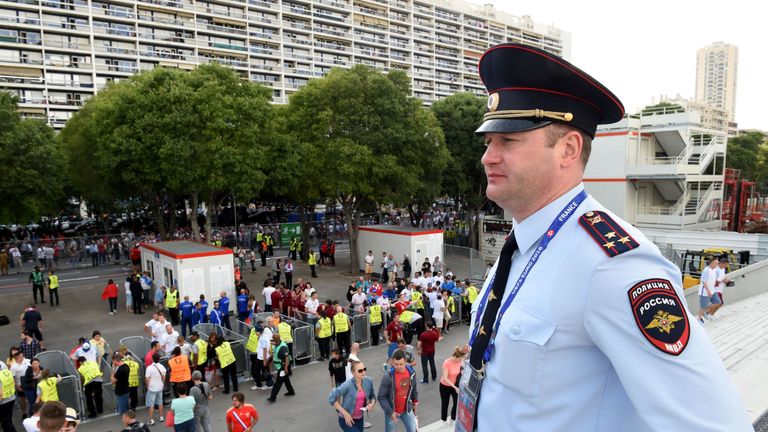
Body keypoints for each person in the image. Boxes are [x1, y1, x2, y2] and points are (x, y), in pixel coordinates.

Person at [464, 42, 751, 431]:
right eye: (488, 142)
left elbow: (714, 424)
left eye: (508, 141)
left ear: (568, 149)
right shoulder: (525, 241)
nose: (488, 157)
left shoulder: (614, 264)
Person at [328, 360, 376, 432]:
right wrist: (345, 414)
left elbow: (372, 397)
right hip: (346, 419)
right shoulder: (347, 385)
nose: (363, 372)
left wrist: (371, 404)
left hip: (360, 418)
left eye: (364, 369)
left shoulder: (368, 381)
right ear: (353, 373)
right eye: (360, 371)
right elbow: (331, 398)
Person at [377, 350, 418, 432]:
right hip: (392, 411)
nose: (399, 367)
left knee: (413, 430)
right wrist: (390, 412)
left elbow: (413, 387)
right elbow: (381, 397)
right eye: (396, 364)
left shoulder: (411, 373)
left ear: (406, 361)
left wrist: (415, 401)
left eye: (401, 364)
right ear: (392, 362)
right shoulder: (388, 377)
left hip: (407, 409)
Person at [439, 346, 464, 424]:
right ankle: (444, 419)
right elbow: (445, 378)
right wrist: (455, 387)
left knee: (456, 402)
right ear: (456, 356)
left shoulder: (460, 360)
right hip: (445, 386)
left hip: (455, 385)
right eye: (460, 359)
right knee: (445, 403)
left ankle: (453, 418)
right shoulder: (447, 363)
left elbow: (462, 369)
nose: (460, 360)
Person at [266, 333, 294, 403]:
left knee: (278, 383)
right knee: (286, 379)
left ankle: (272, 397)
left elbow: (287, 358)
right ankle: (291, 391)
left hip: (283, 366)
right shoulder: (277, 344)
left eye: (273, 339)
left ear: (276, 339)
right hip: (280, 366)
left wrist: (285, 368)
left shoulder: (283, 347)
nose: (272, 341)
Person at [144, 352, 165, 426]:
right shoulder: (162, 367)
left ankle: (151, 419)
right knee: (160, 402)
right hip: (160, 387)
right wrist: (162, 384)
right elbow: (163, 378)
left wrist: (147, 386)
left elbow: (147, 379)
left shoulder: (149, 368)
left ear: (152, 359)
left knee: (151, 404)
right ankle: (161, 416)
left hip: (152, 388)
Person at [0, 359, 17, 432]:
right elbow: (13, 383)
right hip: (11, 398)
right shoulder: (7, 372)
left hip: (2, 401)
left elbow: (0, 393)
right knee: (8, 420)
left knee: (6, 422)